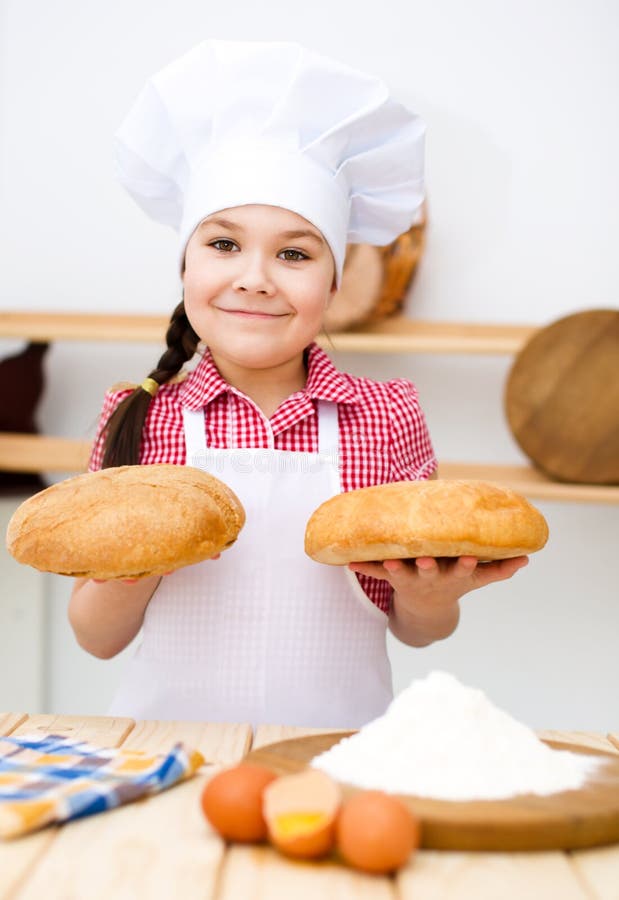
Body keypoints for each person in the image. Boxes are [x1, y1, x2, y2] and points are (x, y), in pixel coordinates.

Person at [69, 40, 528, 728]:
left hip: (336, 752)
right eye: (224, 244)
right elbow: (96, 638)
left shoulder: (387, 414)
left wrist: (432, 595)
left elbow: (418, 631)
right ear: (185, 266)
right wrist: (135, 561)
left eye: (293, 253)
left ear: (334, 284)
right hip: (169, 752)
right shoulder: (141, 415)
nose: (255, 278)